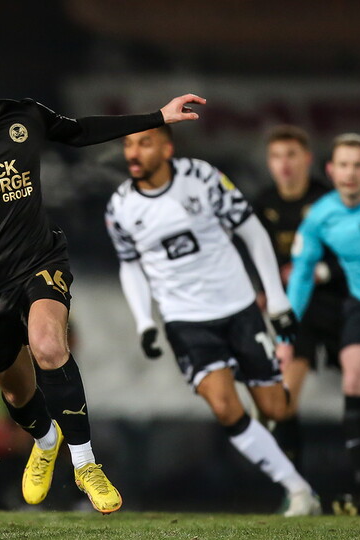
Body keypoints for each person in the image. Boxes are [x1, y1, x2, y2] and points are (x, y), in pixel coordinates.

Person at [0, 26, 204, 513]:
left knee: (50, 345)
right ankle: (47, 440)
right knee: (17, 392)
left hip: (38, 262)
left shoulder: (25, 117)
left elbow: (81, 132)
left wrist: (158, 116)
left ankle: (86, 465)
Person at [104, 126, 320, 516]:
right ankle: (299, 490)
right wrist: (144, 322)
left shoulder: (201, 178)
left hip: (238, 309)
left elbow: (251, 231)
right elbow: (130, 265)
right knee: (223, 406)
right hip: (185, 320)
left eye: (145, 142)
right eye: (128, 143)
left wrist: (275, 298)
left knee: (275, 409)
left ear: (167, 149)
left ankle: (269, 398)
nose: (134, 151)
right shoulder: (120, 207)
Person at [255, 126, 360, 514]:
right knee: (325, 388)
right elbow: (292, 272)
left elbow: (311, 271)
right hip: (336, 308)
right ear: (334, 170)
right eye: (344, 165)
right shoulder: (311, 213)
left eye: (358, 165)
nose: (350, 173)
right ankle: (327, 492)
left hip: (359, 303)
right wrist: (283, 328)